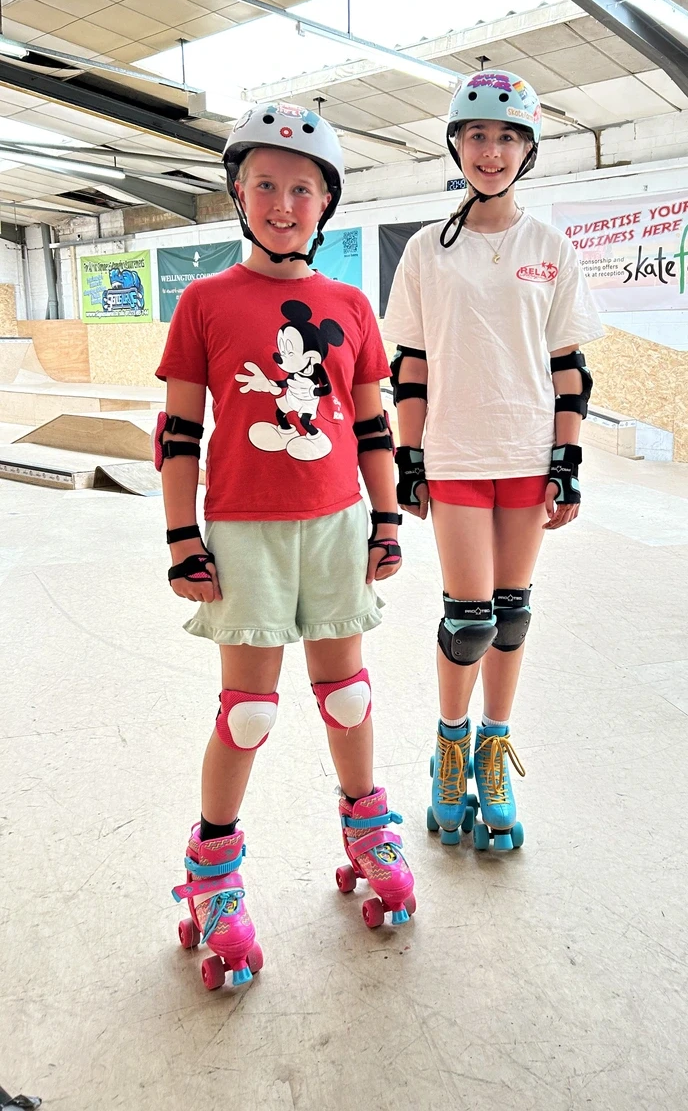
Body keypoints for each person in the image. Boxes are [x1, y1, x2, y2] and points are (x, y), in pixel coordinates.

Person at [157, 102, 415, 991]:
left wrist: (386, 520)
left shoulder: (350, 305)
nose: (282, 202)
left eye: (301, 188)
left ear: (325, 204)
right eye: (264, 184)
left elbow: (375, 428)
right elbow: (180, 432)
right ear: (238, 194)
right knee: (249, 712)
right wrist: (181, 534)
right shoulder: (204, 301)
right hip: (243, 528)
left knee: (345, 696)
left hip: (338, 520)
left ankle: (367, 826)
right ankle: (213, 871)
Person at [383, 70, 604, 852]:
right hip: (454, 452)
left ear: (529, 150)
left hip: (525, 450)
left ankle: (494, 752)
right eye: (477, 135)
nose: (491, 150)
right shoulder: (424, 251)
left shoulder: (549, 249)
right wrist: (407, 456)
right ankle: (449, 750)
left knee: (513, 614)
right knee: (468, 621)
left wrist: (567, 462)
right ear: (456, 144)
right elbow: (409, 363)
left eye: (508, 136)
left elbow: (569, 368)